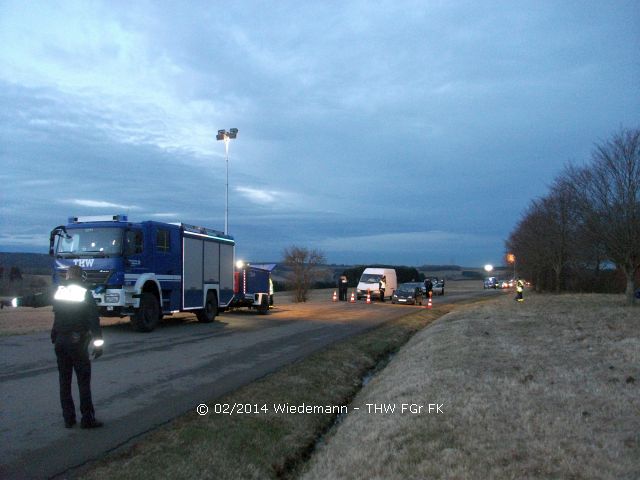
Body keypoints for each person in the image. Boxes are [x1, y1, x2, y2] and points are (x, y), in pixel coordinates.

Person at [51, 266, 104, 428]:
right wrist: (98, 344)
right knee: (83, 381)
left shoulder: (59, 291)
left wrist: (13, 301)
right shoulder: (84, 293)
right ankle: (87, 419)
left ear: (67, 276)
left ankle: (68, 418)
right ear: (82, 277)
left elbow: (41, 302)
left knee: (64, 381)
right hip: (77, 341)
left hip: (60, 340)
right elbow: (93, 321)